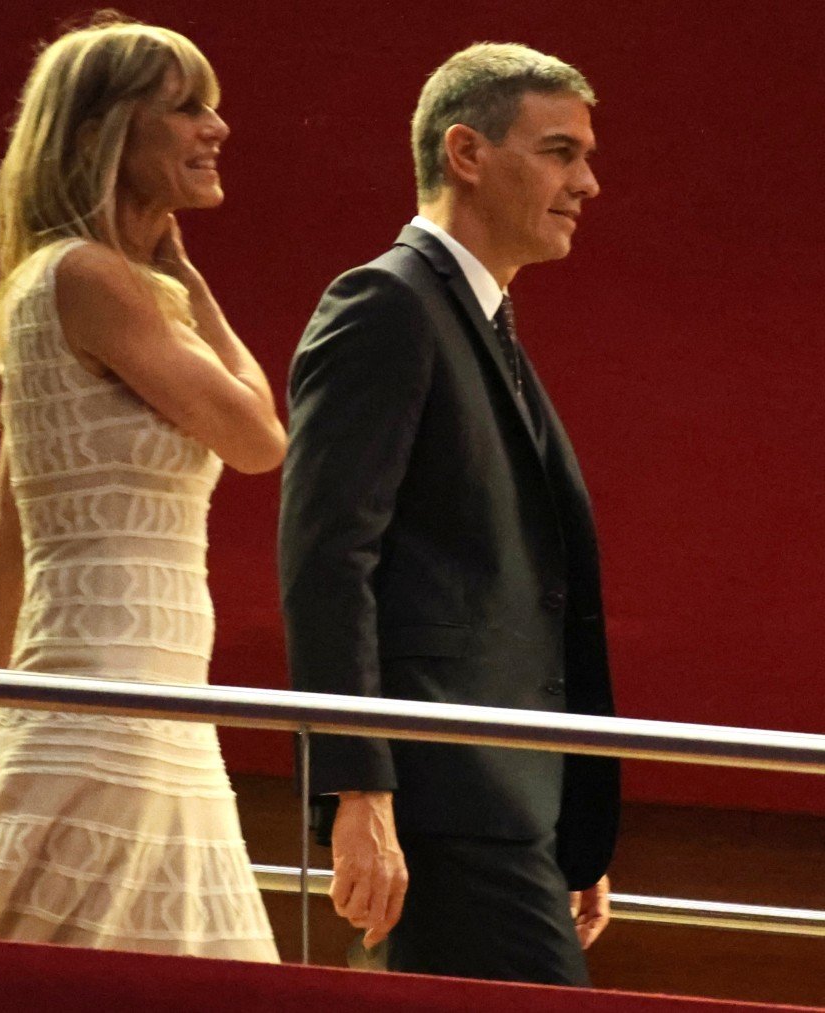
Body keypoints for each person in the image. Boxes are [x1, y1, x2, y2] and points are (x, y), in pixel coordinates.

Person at [0, 14, 284, 962]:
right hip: (117, 716)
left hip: (123, 711)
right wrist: (198, 292)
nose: (216, 128)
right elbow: (259, 439)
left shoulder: (44, 284)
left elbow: (8, 539)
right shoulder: (93, 277)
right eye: (186, 109)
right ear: (101, 135)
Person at [278, 43, 619, 985]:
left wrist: (568, 822)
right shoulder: (385, 303)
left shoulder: (482, 319)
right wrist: (360, 787)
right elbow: (327, 559)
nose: (587, 182)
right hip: (437, 796)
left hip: (510, 803)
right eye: (560, 151)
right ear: (466, 152)